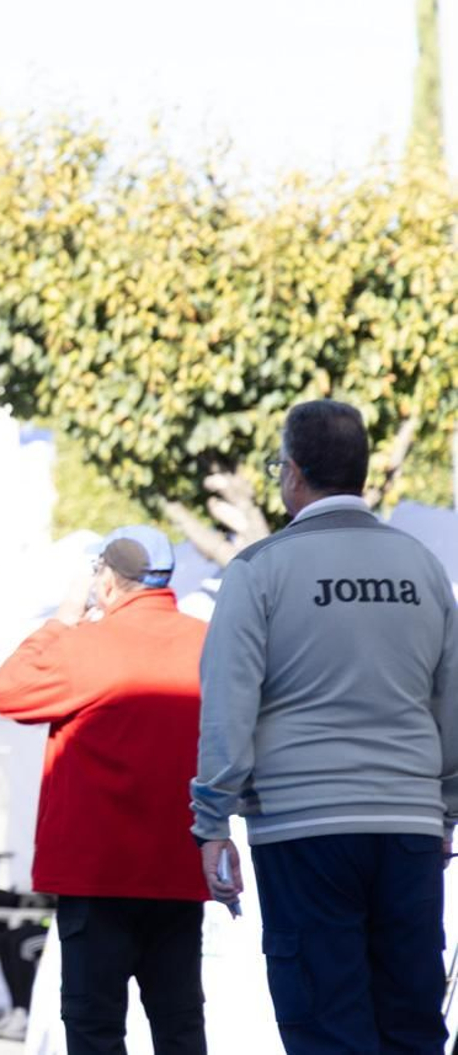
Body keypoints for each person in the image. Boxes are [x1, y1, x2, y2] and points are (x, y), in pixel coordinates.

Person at [192, 399, 458, 1054]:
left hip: (303, 825)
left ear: (291, 473)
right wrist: (444, 811)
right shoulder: (424, 570)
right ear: (363, 471)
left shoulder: (259, 570)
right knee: (413, 1024)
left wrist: (210, 821)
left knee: (325, 1025)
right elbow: (450, 701)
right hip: (409, 827)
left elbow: (228, 705)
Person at [0, 523, 209, 1055]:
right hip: (179, 869)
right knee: (180, 1028)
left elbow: (7, 690)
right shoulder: (208, 642)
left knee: (94, 1029)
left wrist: (64, 619)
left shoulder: (85, 646)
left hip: (96, 876)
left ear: (107, 581)